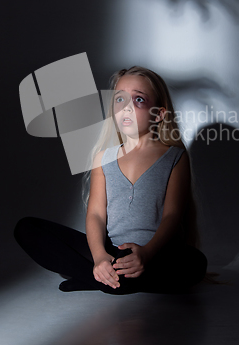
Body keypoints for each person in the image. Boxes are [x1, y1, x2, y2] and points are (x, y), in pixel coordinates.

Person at [14, 66, 207, 294]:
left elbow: (173, 216)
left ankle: (95, 279)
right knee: (26, 228)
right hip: (111, 251)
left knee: (196, 262)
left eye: (138, 99)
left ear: (159, 114)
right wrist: (99, 256)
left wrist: (146, 253)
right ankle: (104, 275)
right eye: (119, 99)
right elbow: (95, 213)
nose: (126, 107)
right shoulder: (103, 158)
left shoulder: (174, 157)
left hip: (155, 255)